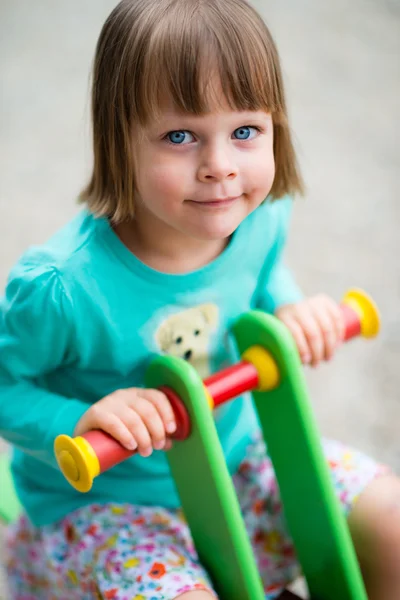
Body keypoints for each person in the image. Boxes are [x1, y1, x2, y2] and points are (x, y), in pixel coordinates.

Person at [2, 0, 400, 598]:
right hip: (110, 505)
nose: (220, 168)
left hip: (236, 457)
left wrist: (291, 308)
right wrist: (79, 419)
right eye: (180, 136)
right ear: (119, 140)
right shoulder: (62, 287)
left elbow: (262, 278)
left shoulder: (259, 219)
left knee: (390, 523)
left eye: (245, 132)